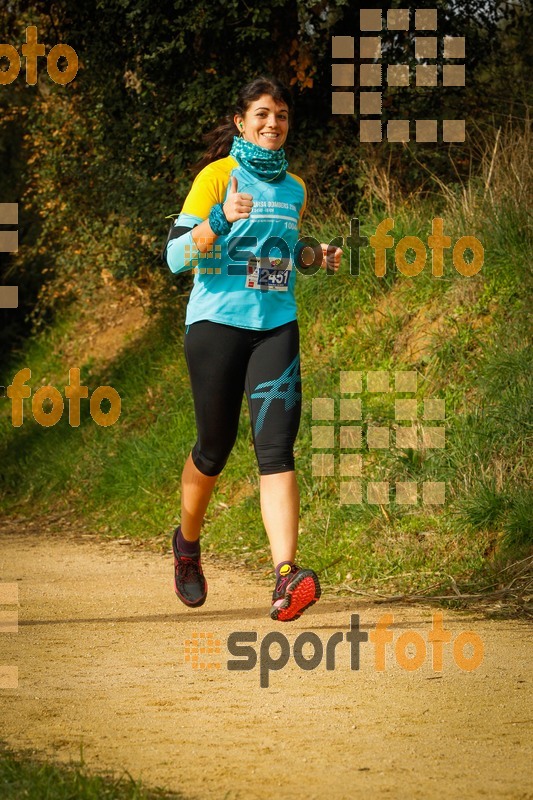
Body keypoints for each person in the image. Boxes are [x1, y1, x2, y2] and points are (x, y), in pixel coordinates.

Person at [164, 75, 342, 621]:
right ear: (242, 122)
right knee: (213, 448)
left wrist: (314, 256)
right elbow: (174, 257)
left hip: (275, 326)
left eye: (282, 115)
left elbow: (281, 252)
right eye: (262, 113)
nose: (273, 123)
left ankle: (286, 577)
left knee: (276, 447)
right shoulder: (217, 177)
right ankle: (187, 546)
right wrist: (218, 219)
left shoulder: (295, 187)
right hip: (217, 323)